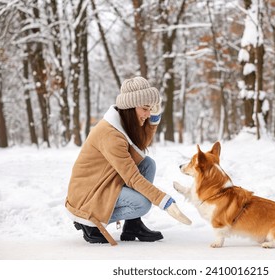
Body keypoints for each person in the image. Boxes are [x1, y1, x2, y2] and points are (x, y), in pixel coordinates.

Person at [65, 76, 191, 246]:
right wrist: (165, 202)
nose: (147, 114)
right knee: (142, 204)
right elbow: (132, 178)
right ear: (130, 107)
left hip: (106, 182)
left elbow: (138, 148)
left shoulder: (122, 123)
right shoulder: (110, 134)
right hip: (89, 193)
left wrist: (153, 119)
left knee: (148, 164)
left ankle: (133, 226)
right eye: (145, 109)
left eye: (150, 109)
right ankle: (89, 221)